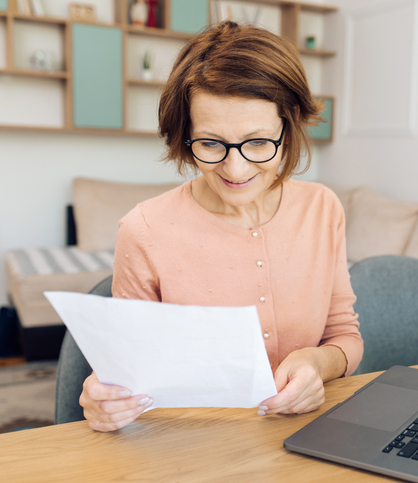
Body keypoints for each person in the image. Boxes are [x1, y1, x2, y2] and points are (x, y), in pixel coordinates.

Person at [78, 22, 363, 432]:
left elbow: (345, 337)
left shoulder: (322, 208)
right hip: (195, 445)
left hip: (307, 435)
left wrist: (317, 363)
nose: (236, 169)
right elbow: (127, 373)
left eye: (258, 142)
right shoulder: (144, 230)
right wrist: (105, 399)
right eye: (210, 143)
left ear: (290, 125)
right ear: (185, 135)